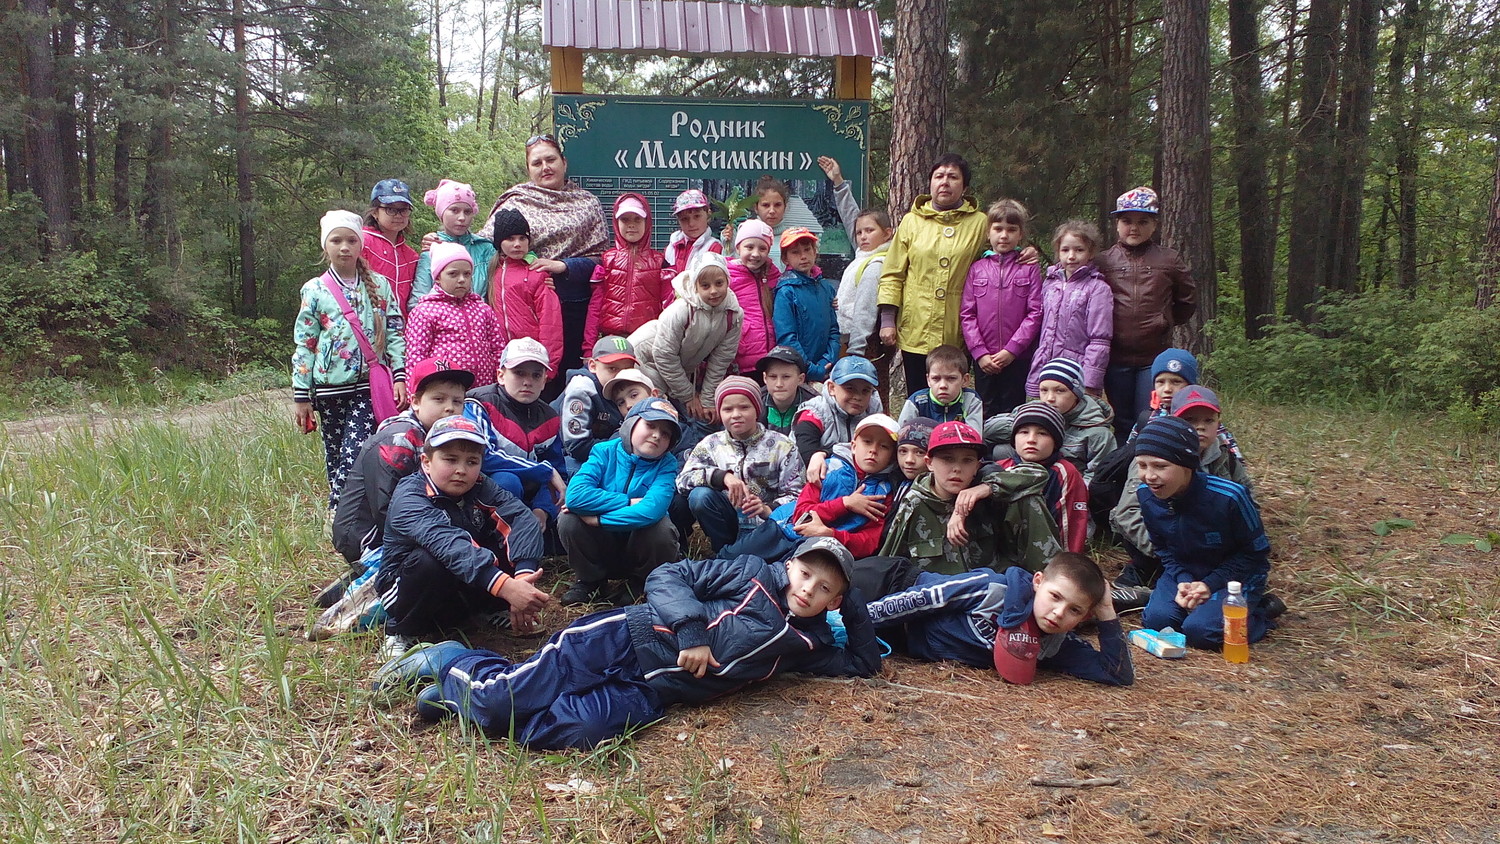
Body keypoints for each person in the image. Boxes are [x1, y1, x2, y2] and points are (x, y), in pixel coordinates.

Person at [373, 536, 881, 750]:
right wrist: (691, 633)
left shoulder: (810, 644)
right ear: (790, 564)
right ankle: (454, 662)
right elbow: (667, 576)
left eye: (826, 589)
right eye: (806, 573)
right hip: (621, 638)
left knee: (577, 729)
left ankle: (462, 698)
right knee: (503, 698)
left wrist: (852, 601)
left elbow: (862, 662)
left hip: (653, 693)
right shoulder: (749, 573)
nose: (808, 589)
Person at [374, 415, 553, 658]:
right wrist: (506, 586)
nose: (461, 470)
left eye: (472, 461)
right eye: (450, 459)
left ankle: (492, 609)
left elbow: (520, 518)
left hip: (462, 585)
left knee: (503, 534)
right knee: (430, 561)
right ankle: (401, 632)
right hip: (408, 589)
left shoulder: (480, 484)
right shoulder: (410, 496)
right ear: (426, 462)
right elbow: (448, 544)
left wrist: (523, 578)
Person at [322, 359, 475, 608]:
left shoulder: (436, 438)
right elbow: (388, 509)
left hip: (395, 524)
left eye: (457, 401)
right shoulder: (401, 439)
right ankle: (370, 584)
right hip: (366, 534)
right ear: (414, 402)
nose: (450, 408)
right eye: (439, 400)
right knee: (432, 562)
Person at [864, 553, 1133, 686]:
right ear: (1038, 582)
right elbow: (925, 598)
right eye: (1055, 596)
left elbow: (1116, 674)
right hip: (891, 586)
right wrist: (862, 619)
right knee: (827, 577)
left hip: (897, 638)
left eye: (1075, 610)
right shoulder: (994, 589)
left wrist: (1107, 613)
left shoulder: (1053, 645)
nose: (1059, 613)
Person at [293, 210, 408, 508]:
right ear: (325, 246)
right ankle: (347, 515)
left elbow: (395, 333)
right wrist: (301, 395)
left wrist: (399, 375)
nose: (344, 247)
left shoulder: (380, 286)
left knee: (356, 450)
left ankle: (338, 510)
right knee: (335, 452)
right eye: (336, 240)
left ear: (361, 245)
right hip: (329, 387)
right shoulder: (314, 290)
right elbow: (305, 343)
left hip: (369, 387)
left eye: (351, 240)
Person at [1133, 417, 1273, 650]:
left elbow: (1256, 553)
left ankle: (1260, 612)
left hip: (1235, 577)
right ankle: (1200, 607)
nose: (1149, 476)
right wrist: (1184, 581)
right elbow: (1163, 549)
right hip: (1186, 571)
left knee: (1201, 632)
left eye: (1160, 466)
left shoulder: (1229, 497)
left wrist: (1209, 584)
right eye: (1142, 465)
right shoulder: (1146, 496)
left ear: (1187, 464)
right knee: (1157, 621)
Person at [477, 135, 610, 377]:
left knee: (564, 378)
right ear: (529, 169)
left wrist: (563, 266)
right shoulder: (515, 201)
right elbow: (484, 247)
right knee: (522, 375)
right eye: (537, 163)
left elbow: (601, 260)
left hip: (572, 307)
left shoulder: (588, 203)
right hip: (523, 308)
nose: (545, 167)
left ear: (564, 162)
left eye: (551, 160)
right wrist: (444, 241)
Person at [1111, 386, 1256, 592]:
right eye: (1190, 420)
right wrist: (1174, 552)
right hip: (1162, 547)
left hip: (1213, 548)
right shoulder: (1150, 457)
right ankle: (1147, 576)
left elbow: (1249, 504)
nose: (1200, 427)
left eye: (1208, 420)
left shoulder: (1226, 458)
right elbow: (1127, 513)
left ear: (1218, 423)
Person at [877, 421, 1058, 575]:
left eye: (967, 460)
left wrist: (984, 489)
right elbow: (888, 562)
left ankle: (1051, 584)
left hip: (992, 584)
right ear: (929, 463)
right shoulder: (915, 503)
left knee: (1028, 498)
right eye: (948, 459)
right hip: (939, 595)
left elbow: (1038, 474)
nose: (957, 468)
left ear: (977, 466)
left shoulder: (985, 488)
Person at [877, 153, 989, 393]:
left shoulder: (980, 223)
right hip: (916, 325)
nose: (945, 182)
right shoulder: (911, 221)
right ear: (930, 183)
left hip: (958, 327)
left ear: (965, 186)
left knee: (953, 394)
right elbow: (893, 273)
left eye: (953, 177)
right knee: (919, 395)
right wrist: (888, 319)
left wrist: (1024, 252)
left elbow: (1000, 254)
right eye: (939, 176)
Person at [559, 397, 684, 607]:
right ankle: (591, 580)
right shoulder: (603, 451)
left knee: (660, 527)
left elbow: (651, 510)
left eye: (666, 433)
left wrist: (598, 519)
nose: (656, 435)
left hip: (641, 547)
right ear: (631, 423)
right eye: (651, 425)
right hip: (603, 546)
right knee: (568, 520)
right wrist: (628, 501)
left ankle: (642, 581)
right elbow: (576, 496)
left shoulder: (667, 464)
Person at [1095, 187, 1197, 444]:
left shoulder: (1169, 259)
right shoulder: (1103, 261)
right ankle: (1122, 470)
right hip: (1115, 358)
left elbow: (1187, 300)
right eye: (1126, 221)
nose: (1134, 228)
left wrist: (1164, 322)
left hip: (1152, 359)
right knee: (1121, 419)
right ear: (1117, 224)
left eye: (1142, 221)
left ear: (1154, 224)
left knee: (1150, 416)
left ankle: (1151, 468)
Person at [673, 376, 804, 554]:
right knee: (700, 496)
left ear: (757, 410)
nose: (736, 414)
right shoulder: (710, 444)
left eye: (744, 407)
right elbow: (683, 481)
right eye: (728, 409)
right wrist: (722, 477)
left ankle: (734, 556)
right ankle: (722, 550)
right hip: (727, 517)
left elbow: (798, 494)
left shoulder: (783, 446)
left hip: (768, 524)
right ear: (720, 412)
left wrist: (768, 508)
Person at [630, 252, 743, 429]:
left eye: (719, 283)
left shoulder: (733, 314)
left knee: (693, 418)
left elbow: (721, 359)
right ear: (695, 286)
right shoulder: (681, 310)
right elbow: (664, 355)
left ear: (728, 282)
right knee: (655, 419)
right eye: (705, 286)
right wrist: (688, 396)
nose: (713, 291)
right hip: (645, 360)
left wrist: (706, 400)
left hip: (676, 369)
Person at [465, 339, 567, 532]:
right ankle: (494, 544)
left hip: (531, 495)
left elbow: (558, 472)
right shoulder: (478, 403)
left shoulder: (550, 417)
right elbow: (482, 457)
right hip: (481, 494)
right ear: (501, 375)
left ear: (545, 380)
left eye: (536, 375)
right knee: (507, 480)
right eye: (519, 373)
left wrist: (542, 510)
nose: (527, 381)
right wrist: (543, 470)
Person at [820, 155, 895, 404]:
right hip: (849, 336)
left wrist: (856, 350)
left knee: (862, 393)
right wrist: (839, 183)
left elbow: (865, 308)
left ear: (887, 234)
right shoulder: (865, 253)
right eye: (860, 232)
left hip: (861, 342)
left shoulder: (876, 264)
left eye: (869, 231)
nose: (862, 236)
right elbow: (853, 218)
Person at [961, 199, 1044, 417]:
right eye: (998, 229)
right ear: (988, 232)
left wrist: (1011, 351)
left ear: (1020, 234)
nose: (1004, 235)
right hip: (984, 358)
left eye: (1011, 229)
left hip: (1017, 357)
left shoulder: (1028, 269)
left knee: (1013, 411)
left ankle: (1009, 451)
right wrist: (979, 353)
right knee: (984, 410)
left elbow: (1035, 313)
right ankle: (983, 451)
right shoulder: (977, 269)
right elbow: (967, 314)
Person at [987, 358, 1115, 484]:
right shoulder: (1035, 410)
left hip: (1066, 484)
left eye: (1060, 391)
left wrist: (1074, 492)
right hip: (1027, 474)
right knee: (1000, 450)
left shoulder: (1097, 432)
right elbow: (986, 431)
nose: (1050, 398)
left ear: (1076, 393)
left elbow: (1098, 475)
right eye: (1044, 390)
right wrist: (1023, 422)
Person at [1025, 220, 1112, 401]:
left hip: (1076, 371)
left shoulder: (1097, 288)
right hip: (1045, 367)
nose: (1071, 256)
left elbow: (1099, 339)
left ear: (1090, 252)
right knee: (1045, 422)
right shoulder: (1049, 283)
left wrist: (1090, 381)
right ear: (1058, 252)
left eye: (1079, 250)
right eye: (1065, 250)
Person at [993, 402, 1088, 554]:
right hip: (1003, 551)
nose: (1031, 439)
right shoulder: (999, 468)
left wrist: (1067, 564)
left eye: (1042, 433)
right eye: (1024, 432)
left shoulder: (1065, 473)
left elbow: (1071, 523)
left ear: (1055, 442)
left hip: (1045, 551)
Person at [404, 242, 503, 387]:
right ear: (437, 277)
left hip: (484, 389)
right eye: (453, 274)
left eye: (467, 274)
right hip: (444, 391)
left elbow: (498, 348)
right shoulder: (424, 311)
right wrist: (416, 393)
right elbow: (416, 357)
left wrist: (501, 382)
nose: (462, 279)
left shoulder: (483, 309)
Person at [584, 193, 669, 356]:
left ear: (647, 222)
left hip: (647, 341)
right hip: (611, 340)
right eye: (625, 220)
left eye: (637, 219)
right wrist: (588, 350)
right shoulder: (606, 260)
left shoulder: (660, 262)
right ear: (616, 223)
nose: (631, 225)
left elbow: (668, 310)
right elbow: (595, 308)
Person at [1124, 348, 1245, 463]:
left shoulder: (1205, 418)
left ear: (1190, 385)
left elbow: (1234, 460)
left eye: (1176, 382)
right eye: (1160, 382)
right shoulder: (1147, 419)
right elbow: (1129, 456)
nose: (1167, 389)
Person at [487, 208, 564, 375]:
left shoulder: (537, 272)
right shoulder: (492, 271)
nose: (517, 244)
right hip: (502, 359)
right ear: (499, 242)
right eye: (510, 238)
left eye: (522, 238)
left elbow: (551, 322)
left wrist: (549, 365)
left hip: (532, 356)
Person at [792, 355, 887, 481]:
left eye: (865, 391)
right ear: (832, 388)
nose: (858, 397)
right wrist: (821, 454)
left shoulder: (874, 414)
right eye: (850, 389)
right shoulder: (814, 411)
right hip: (808, 482)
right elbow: (806, 451)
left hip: (860, 481)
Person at [555, 336, 639, 474]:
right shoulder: (581, 390)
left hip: (604, 452)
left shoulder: (633, 387)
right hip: (565, 457)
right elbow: (576, 448)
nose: (620, 376)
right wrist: (627, 438)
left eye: (626, 369)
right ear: (593, 366)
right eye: (612, 369)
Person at [409, 179, 496, 309]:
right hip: (442, 325)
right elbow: (418, 300)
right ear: (441, 213)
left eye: (467, 212)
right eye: (454, 210)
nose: (462, 218)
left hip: (479, 324)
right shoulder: (432, 249)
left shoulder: (485, 249)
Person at [774, 227, 839, 383]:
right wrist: (809, 368)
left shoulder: (825, 287)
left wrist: (826, 362)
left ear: (815, 252)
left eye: (807, 250)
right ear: (785, 258)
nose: (803, 256)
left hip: (826, 368)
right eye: (795, 252)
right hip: (799, 372)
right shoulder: (786, 291)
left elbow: (834, 330)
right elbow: (787, 337)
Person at [727, 219, 782, 376]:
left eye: (762, 248)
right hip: (741, 358)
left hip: (771, 358)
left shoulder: (773, 274)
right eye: (749, 247)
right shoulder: (728, 275)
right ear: (738, 248)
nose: (756, 254)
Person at [362, 179, 420, 317]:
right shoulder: (361, 243)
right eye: (391, 209)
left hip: (400, 331)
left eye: (403, 210)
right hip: (368, 323)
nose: (398, 216)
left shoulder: (411, 256)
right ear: (375, 212)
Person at [897, 343, 984, 428]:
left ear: (965, 380)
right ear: (928, 380)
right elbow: (902, 436)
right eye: (936, 378)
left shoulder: (971, 400)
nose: (943, 385)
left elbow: (974, 437)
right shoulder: (916, 402)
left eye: (951, 378)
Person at [662, 189, 724, 282]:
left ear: (708, 215)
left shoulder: (714, 247)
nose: (691, 223)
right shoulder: (671, 247)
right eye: (684, 219)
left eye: (697, 216)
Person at [758, 345, 817, 435]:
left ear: (800, 379)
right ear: (765, 378)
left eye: (786, 377)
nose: (779, 384)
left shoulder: (815, 406)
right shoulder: (755, 402)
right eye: (773, 377)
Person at [889, 417, 937, 516]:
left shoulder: (939, 493)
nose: (909, 460)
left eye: (920, 452)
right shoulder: (893, 483)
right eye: (903, 451)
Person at [749, 174, 792, 269]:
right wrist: (729, 247)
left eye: (777, 205)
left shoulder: (792, 239)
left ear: (785, 207)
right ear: (756, 208)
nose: (772, 211)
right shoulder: (746, 238)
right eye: (766, 205)